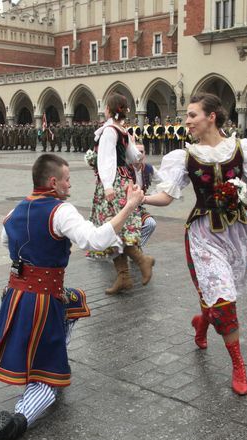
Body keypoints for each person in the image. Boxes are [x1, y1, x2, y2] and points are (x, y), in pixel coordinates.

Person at [0, 154, 144, 440]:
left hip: (15, 297)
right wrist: (130, 206)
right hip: (42, 302)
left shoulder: (15, 210)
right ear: (54, 182)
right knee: (46, 380)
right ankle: (21, 417)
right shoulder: (61, 210)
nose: (71, 185)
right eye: (68, 179)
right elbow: (95, 241)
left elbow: (5, 241)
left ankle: (47, 363)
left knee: (74, 302)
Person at [144, 93, 247, 396]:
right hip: (204, 234)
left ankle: (202, 322)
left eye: (192, 115)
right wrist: (140, 198)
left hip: (237, 230)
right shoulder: (185, 156)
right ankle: (238, 364)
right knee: (223, 298)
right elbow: (166, 197)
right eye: (187, 116)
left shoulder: (240, 148)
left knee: (219, 292)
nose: (187, 121)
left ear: (212, 117)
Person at [89, 93, 155, 294]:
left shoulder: (110, 130)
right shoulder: (122, 130)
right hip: (124, 179)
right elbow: (134, 155)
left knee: (113, 227)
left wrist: (107, 185)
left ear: (108, 109)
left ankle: (141, 260)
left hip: (114, 182)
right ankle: (123, 276)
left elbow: (105, 159)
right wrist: (137, 157)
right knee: (117, 230)